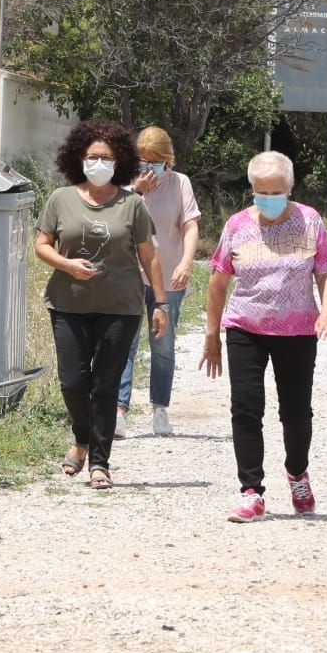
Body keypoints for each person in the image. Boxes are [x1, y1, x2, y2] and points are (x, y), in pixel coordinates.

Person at [201, 151, 327, 523]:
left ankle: (297, 473)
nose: (269, 197)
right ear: (252, 189)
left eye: (276, 190)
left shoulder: (310, 221)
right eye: (261, 191)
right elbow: (217, 281)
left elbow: (326, 271)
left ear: (290, 187)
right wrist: (212, 334)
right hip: (245, 328)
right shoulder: (237, 226)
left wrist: (326, 313)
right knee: (245, 408)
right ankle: (251, 491)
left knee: (295, 412)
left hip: (297, 331)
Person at [34, 120, 170, 489]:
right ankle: (82, 438)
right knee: (73, 382)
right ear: (79, 159)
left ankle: (100, 462)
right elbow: (42, 245)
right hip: (68, 304)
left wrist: (160, 304)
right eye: (92, 156)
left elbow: (150, 258)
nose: (98, 162)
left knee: (106, 385)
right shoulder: (60, 199)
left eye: (106, 157)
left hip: (120, 308)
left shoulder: (132, 205)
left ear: (120, 161)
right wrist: (67, 265)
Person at [116, 126, 201, 438]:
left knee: (162, 345)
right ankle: (118, 410)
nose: (147, 166)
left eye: (154, 160)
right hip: (129, 276)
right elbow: (113, 219)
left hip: (167, 277)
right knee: (124, 342)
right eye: (142, 159)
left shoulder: (180, 184)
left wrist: (186, 262)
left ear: (167, 160)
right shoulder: (125, 183)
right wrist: (136, 190)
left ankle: (160, 409)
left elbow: (190, 226)